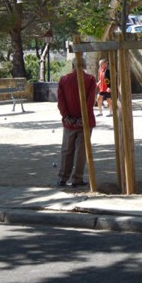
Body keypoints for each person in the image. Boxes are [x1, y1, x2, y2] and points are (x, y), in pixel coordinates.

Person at [57, 58, 96, 188]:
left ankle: (63, 177)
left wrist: (66, 116)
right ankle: (77, 178)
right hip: (84, 121)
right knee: (81, 151)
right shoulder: (90, 79)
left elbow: (61, 101)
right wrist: (82, 118)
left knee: (67, 149)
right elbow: (90, 102)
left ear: (72, 65)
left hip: (69, 121)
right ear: (85, 65)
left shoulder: (64, 80)